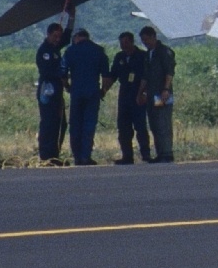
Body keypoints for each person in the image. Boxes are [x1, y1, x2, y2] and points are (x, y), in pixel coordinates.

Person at [102, 31, 151, 163]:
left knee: (140, 126)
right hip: (124, 95)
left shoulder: (142, 56)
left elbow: (146, 76)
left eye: (126, 43)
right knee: (123, 127)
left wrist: (143, 93)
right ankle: (127, 156)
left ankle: (146, 154)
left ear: (132, 42)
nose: (124, 46)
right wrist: (104, 89)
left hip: (138, 93)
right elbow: (113, 75)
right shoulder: (119, 57)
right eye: (121, 43)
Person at [63, 28, 109, 166]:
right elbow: (106, 76)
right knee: (89, 124)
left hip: (76, 92)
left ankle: (77, 156)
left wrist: (67, 87)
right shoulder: (99, 51)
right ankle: (85, 156)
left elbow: (62, 72)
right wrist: (103, 90)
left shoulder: (70, 51)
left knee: (75, 124)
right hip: (92, 92)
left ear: (77, 37)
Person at [138, 25, 176, 163]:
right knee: (154, 123)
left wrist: (166, 89)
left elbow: (169, 72)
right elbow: (145, 76)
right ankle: (160, 152)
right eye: (143, 41)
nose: (145, 43)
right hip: (151, 94)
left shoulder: (164, 52)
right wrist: (140, 93)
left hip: (162, 94)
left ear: (154, 37)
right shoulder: (149, 54)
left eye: (147, 39)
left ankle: (167, 152)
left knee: (163, 122)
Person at [35, 21, 69, 165]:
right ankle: (46, 155)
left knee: (60, 123)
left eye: (59, 36)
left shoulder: (55, 49)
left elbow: (67, 38)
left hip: (57, 92)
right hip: (48, 91)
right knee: (48, 122)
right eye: (55, 36)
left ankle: (54, 154)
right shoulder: (45, 51)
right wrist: (62, 76)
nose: (57, 39)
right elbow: (47, 71)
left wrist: (71, 17)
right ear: (48, 35)